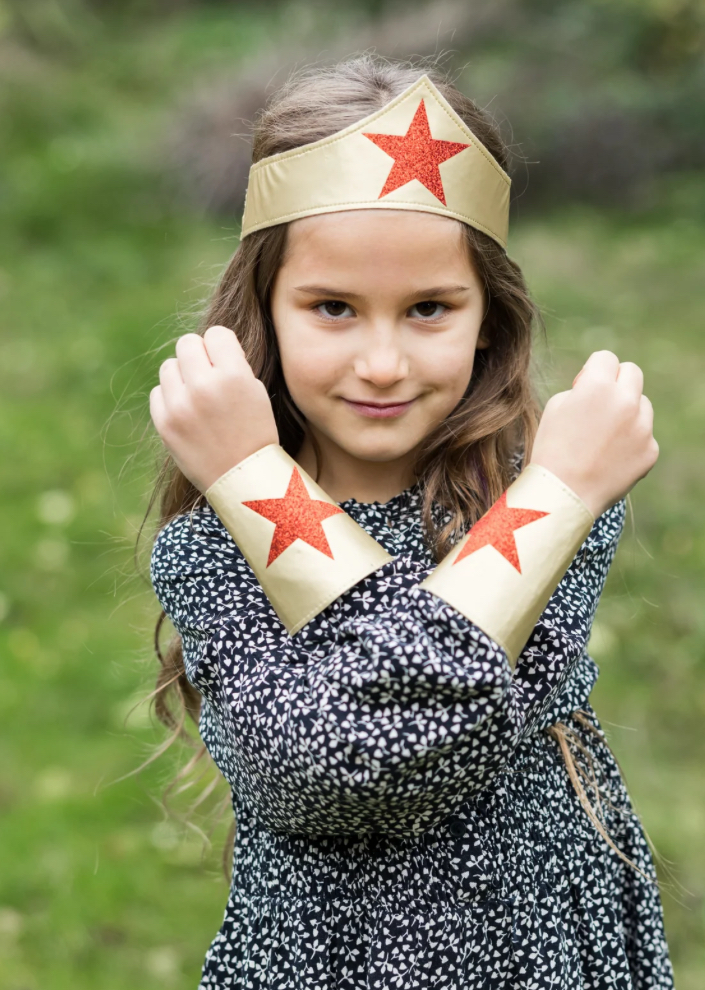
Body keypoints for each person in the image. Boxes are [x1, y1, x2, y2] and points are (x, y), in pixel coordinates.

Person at [147, 55, 674, 989]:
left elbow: (418, 719)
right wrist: (256, 483)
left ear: (489, 317)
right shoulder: (213, 548)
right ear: (266, 310)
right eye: (333, 308)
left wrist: (552, 499)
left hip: (542, 955)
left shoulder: (526, 494)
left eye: (429, 308)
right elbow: (334, 767)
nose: (383, 363)